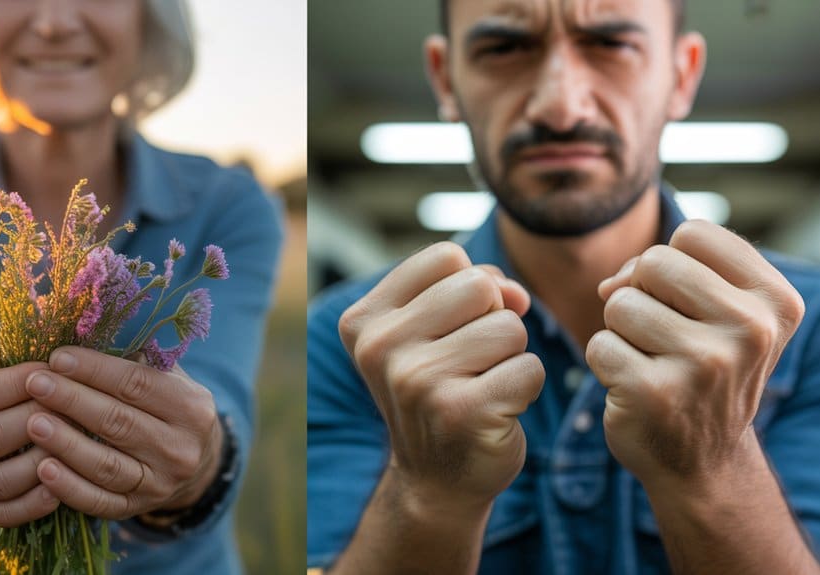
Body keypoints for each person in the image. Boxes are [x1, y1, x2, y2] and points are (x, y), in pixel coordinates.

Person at [307, 0, 820, 573]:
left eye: (612, 45)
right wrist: (429, 493)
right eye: (504, 48)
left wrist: (714, 465)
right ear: (445, 78)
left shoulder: (810, 323)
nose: (560, 106)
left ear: (681, 76)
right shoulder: (344, 338)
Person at [0, 1, 283, 573]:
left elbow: (219, 410)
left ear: (148, 18)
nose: (53, 23)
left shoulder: (230, 205)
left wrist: (196, 455)